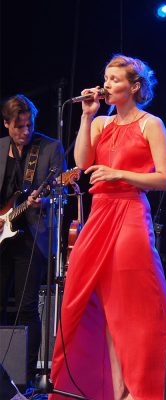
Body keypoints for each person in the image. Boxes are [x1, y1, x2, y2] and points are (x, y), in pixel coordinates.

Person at [50, 54, 166, 399]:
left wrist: (119, 174)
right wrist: (87, 116)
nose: (106, 85)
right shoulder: (101, 123)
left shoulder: (151, 124)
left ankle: (142, 387)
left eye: (115, 80)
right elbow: (82, 163)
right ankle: (117, 389)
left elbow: (165, 178)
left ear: (135, 87)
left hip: (131, 213)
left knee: (132, 305)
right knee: (96, 301)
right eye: (105, 78)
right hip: (100, 215)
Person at [0, 94, 65, 385]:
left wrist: (44, 201)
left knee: (27, 307)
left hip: (33, 237)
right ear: (6, 125)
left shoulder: (49, 147)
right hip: (3, 237)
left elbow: (59, 191)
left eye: (29, 125)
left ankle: (24, 379)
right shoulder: (0, 148)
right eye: (18, 127)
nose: (25, 131)